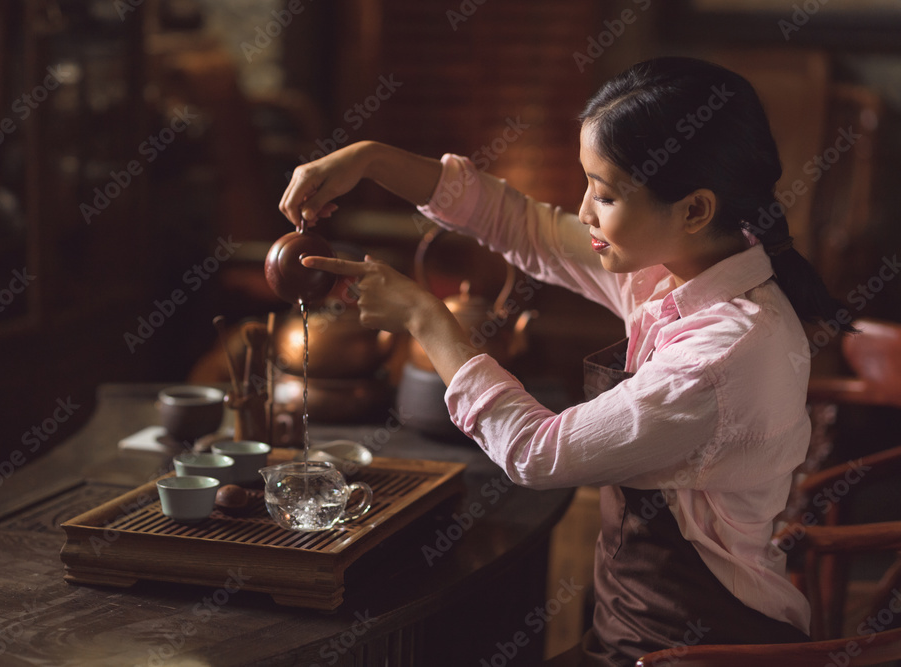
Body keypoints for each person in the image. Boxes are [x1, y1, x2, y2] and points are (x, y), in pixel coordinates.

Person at [279, 57, 851, 665]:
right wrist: (371, 159)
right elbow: (525, 227)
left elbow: (534, 451)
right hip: (638, 633)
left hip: (702, 647)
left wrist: (426, 320)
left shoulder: (718, 357)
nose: (583, 212)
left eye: (604, 195)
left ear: (694, 210)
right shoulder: (684, 272)